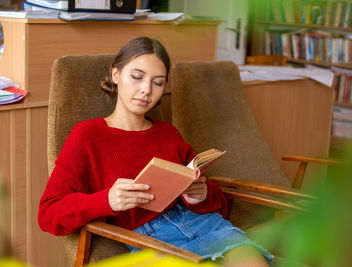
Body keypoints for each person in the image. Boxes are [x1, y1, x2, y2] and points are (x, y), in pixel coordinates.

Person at [38, 36, 273, 267]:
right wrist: (106, 200)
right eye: (137, 77)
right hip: (150, 239)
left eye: (158, 82)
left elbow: (219, 204)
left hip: (206, 224)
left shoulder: (168, 134)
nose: (146, 90)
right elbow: (48, 215)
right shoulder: (87, 135)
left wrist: (200, 196)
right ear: (116, 75)